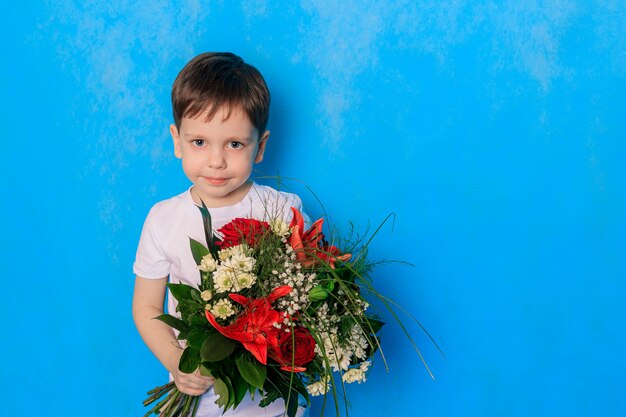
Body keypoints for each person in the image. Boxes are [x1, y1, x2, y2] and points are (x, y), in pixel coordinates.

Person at [132, 52, 308, 417]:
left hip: (271, 404)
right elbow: (147, 306)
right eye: (199, 142)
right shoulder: (164, 219)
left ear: (260, 147)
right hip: (198, 400)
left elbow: (304, 297)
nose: (216, 161)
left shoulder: (282, 210)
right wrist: (177, 360)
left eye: (234, 144)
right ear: (177, 140)